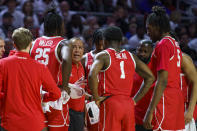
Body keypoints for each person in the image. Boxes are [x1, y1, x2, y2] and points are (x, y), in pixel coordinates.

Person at [88, 26, 155, 131]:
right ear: (121, 41)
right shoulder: (131, 56)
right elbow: (150, 77)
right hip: (128, 104)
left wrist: (96, 98)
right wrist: (135, 100)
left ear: (105, 41)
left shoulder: (103, 55)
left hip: (111, 103)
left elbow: (92, 75)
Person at [0, 27, 61, 131]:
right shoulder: (40, 67)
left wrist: (8, 96)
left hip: (10, 123)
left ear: (14, 45)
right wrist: (42, 97)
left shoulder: (2, 64)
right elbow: (56, 94)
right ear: (31, 44)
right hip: (35, 123)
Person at [143, 6, 185, 130]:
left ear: (157, 27)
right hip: (176, 97)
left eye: (149, 29)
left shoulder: (163, 44)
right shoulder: (174, 43)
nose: (147, 33)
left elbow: (162, 80)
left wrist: (150, 111)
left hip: (165, 97)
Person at [30, 9, 72, 131]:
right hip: (55, 94)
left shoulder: (34, 43)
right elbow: (67, 60)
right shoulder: (63, 43)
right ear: (60, 26)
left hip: (36, 95)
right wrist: (64, 86)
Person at [81, 28, 105, 131]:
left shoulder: (110, 57)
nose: (101, 48)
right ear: (93, 42)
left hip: (106, 99)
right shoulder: (85, 58)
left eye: (103, 45)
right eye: (98, 45)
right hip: (91, 101)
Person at [131, 39, 154, 131]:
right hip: (133, 114)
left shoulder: (156, 67)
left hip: (150, 115)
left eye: (145, 51)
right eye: (140, 50)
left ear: (151, 53)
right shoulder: (131, 64)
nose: (142, 54)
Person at [68, 37, 85, 131]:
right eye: (74, 47)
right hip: (68, 113)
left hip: (80, 114)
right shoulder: (64, 67)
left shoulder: (82, 66)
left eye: (80, 47)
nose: (77, 50)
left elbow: (80, 92)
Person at [180, 53, 197, 130]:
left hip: (185, 109)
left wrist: (190, 111)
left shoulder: (184, 59)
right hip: (168, 108)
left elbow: (195, 82)